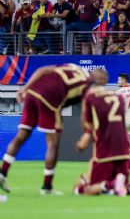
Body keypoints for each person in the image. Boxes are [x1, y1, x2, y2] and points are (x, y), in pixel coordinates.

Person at [0, 64, 95, 194]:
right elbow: (85, 110)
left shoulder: (70, 66)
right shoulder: (88, 84)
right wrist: (87, 132)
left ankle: (2, 173)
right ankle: (47, 187)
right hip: (50, 100)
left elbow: (42, 69)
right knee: (52, 143)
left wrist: (25, 89)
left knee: (21, 136)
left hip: (32, 92)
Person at [74, 71, 130, 197]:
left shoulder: (92, 97)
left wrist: (83, 141)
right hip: (124, 151)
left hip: (105, 150)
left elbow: (88, 128)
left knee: (85, 190)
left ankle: (108, 185)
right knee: (121, 187)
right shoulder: (116, 97)